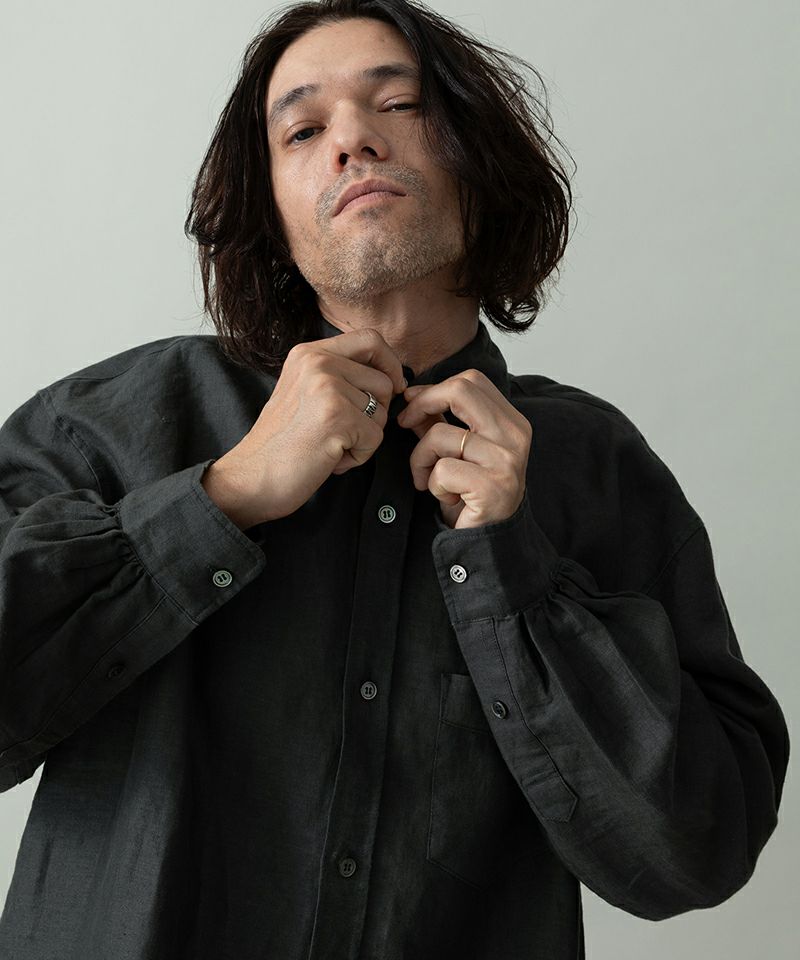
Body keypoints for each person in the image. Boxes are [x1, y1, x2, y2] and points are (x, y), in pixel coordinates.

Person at [0, 0, 789, 957]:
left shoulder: (600, 471)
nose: (352, 142)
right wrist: (225, 496)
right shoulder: (108, 424)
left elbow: (697, 852)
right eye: (302, 130)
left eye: (400, 105)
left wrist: (514, 575)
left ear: (477, 160)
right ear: (269, 211)